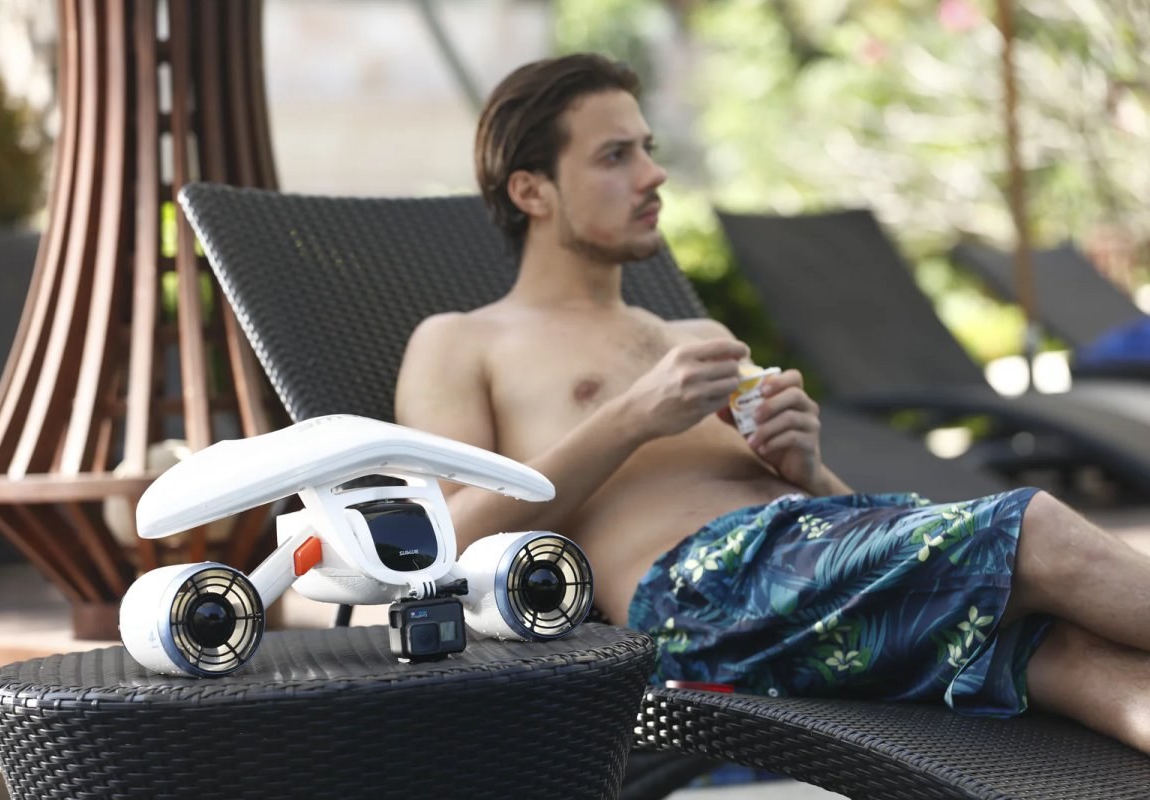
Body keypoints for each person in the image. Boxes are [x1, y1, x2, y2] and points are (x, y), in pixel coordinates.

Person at [394, 53, 1150, 754]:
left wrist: (808, 471)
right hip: (697, 600)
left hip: (812, 583)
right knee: (1037, 530)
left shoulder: (698, 338)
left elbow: (835, 532)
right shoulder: (464, 341)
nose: (654, 174)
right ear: (532, 191)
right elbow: (433, 556)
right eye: (615, 156)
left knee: (1073, 657)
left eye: (648, 148)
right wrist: (630, 417)